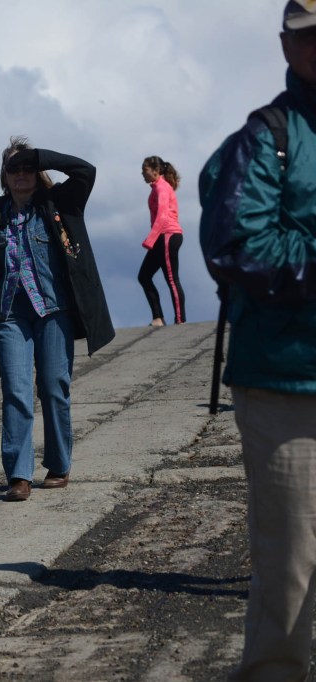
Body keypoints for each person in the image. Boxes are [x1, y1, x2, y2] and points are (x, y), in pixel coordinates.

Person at [199, 3, 316, 678]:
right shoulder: (266, 137)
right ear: (285, 45)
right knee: (290, 567)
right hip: (287, 383)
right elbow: (238, 244)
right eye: (309, 38)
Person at [0, 137, 114, 502]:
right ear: (3, 175)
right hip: (9, 314)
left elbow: (86, 170)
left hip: (53, 309)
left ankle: (59, 464)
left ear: (37, 171)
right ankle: (19, 475)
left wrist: (40, 156)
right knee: (15, 391)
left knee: (53, 386)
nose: (20, 175)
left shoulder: (60, 202)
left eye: (26, 168)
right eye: (13, 168)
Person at [138, 156, 186, 327]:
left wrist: (150, 239)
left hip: (167, 235)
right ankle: (158, 318)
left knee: (172, 278)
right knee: (144, 276)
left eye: (145, 171)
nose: (142, 174)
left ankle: (180, 320)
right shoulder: (157, 188)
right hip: (160, 236)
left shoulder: (162, 188)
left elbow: (163, 216)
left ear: (155, 171)